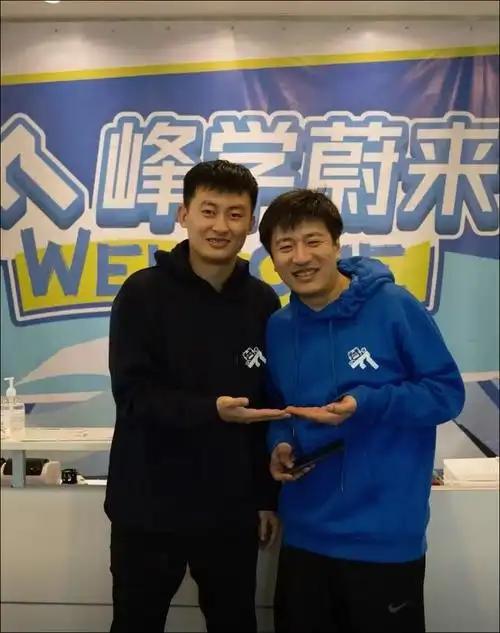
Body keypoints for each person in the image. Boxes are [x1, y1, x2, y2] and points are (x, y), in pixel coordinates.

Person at [258, 189, 465, 633]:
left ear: (337, 244)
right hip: (305, 536)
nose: (301, 257)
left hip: (383, 539)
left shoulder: (394, 306)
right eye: (285, 246)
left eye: (313, 241)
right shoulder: (279, 327)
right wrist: (279, 444)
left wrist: (365, 403)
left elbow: (446, 394)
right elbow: (278, 405)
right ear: (272, 259)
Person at [105, 160, 288, 633]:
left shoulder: (263, 301)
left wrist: (266, 498)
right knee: (135, 623)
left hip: (231, 509)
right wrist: (212, 411)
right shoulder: (142, 293)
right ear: (184, 215)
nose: (220, 226)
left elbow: (267, 405)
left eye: (235, 214)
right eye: (209, 211)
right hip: (148, 505)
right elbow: (133, 395)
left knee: (235, 622)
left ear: (251, 223)